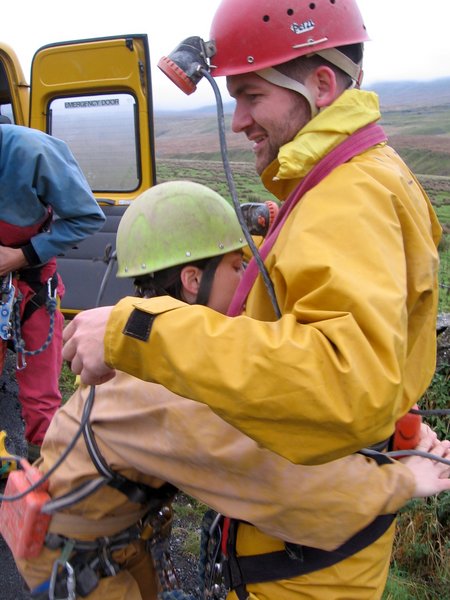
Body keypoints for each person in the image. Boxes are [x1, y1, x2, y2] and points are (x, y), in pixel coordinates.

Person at [61, 1, 445, 597]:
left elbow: (338, 380)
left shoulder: (351, 197)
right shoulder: (352, 176)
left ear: (319, 85)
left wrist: (136, 330)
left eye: (251, 95)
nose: (238, 120)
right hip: (311, 538)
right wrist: (274, 230)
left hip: (304, 571)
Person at [9, 181, 450, 600]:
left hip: (113, 536)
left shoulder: (150, 350)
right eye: (238, 267)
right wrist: (404, 478)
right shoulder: (157, 389)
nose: (248, 283)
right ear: (192, 281)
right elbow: (284, 489)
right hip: (77, 564)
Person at [0, 123, 106, 462]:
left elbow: (86, 218)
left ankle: (49, 472)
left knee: (39, 395)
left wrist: (21, 255)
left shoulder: (31, 152)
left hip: (30, 286)